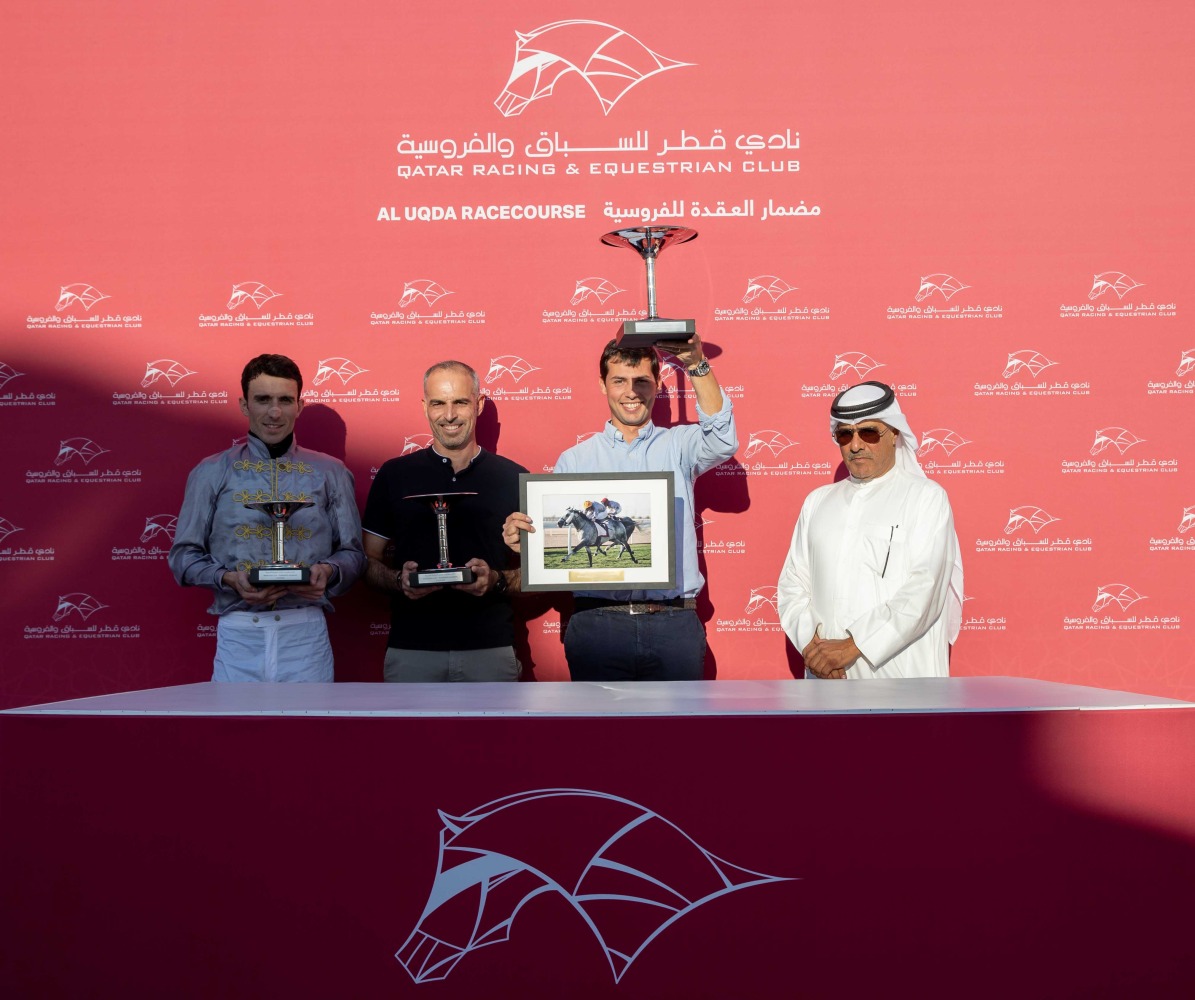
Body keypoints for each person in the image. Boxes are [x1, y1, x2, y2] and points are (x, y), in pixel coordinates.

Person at [504, 335, 737, 681]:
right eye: (619, 381)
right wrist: (526, 540)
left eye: (642, 381)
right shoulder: (575, 459)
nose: (631, 392)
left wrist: (696, 365)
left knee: (679, 736)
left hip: (673, 623)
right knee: (599, 736)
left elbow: (723, 439)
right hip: (597, 624)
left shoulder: (680, 445)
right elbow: (554, 533)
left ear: (657, 384)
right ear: (603, 385)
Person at [169, 354, 366, 682]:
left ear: (299, 406)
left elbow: (354, 555)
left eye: (285, 400)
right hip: (238, 634)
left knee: (308, 732)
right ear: (244, 405)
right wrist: (229, 579)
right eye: (263, 400)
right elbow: (182, 558)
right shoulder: (211, 471)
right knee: (235, 733)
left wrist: (328, 572)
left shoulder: (331, 472)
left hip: (306, 633)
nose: (274, 413)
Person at [777, 380, 963, 679]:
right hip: (828, 676)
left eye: (869, 432)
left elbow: (925, 589)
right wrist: (816, 651)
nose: (856, 444)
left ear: (894, 434)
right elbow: (793, 584)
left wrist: (853, 646)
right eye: (844, 434)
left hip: (901, 677)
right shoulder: (818, 502)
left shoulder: (925, 497)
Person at [362, 360, 527, 682]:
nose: (449, 414)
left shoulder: (513, 477)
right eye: (438, 402)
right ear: (425, 406)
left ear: (478, 405)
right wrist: (399, 581)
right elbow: (366, 561)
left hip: (490, 649)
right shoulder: (395, 475)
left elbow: (542, 572)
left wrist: (497, 580)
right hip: (412, 650)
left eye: (460, 402)